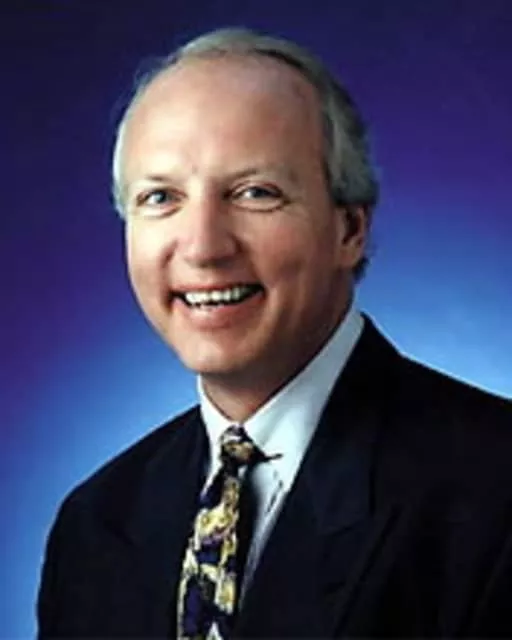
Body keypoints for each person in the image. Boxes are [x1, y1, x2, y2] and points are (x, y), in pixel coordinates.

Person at [37, 27, 512, 638]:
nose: (203, 247)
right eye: (160, 197)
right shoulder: (94, 524)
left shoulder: (495, 489)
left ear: (349, 230)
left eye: (255, 193)